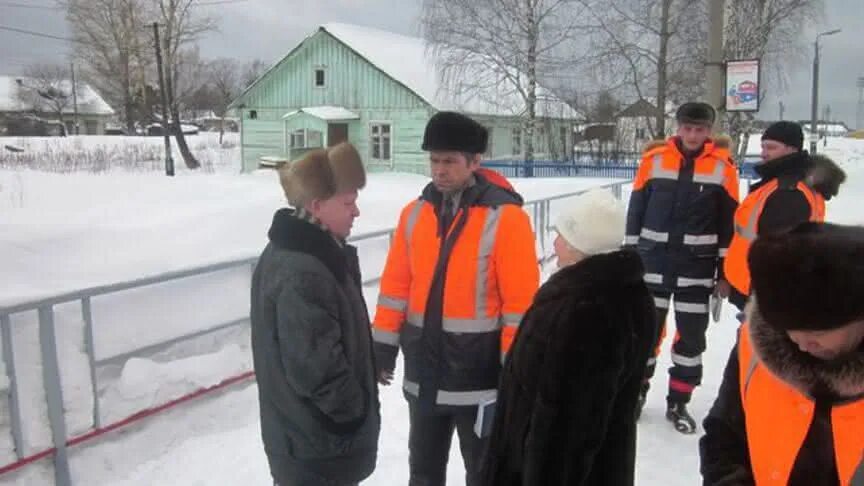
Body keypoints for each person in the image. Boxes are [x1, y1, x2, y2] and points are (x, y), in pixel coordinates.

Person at [372, 111, 540, 486]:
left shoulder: (506, 219)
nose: (440, 170)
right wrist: (382, 345)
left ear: (475, 162)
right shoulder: (414, 215)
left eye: (449, 161)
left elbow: (521, 307)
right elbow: (395, 287)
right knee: (424, 474)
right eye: (434, 160)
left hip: (480, 380)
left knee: (484, 476)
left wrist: (515, 372)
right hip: (424, 375)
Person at [482, 189, 657, 486]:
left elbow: (570, 427)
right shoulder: (623, 293)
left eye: (562, 235)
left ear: (581, 245)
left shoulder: (589, 309)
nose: (555, 242)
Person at [250, 142, 380, 486]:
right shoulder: (303, 270)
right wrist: (353, 412)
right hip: (316, 449)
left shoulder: (311, 254)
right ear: (318, 205)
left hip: (311, 443)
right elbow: (316, 369)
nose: (357, 213)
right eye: (348, 203)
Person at [700, 222, 864, 486]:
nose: (801, 344)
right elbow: (725, 435)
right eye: (790, 330)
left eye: (817, 333)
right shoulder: (756, 345)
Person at [625, 101, 740, 433]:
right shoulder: (654, 161)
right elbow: (635, 213)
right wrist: (630, 258)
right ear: (678, 128)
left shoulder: (723, 168)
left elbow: (727, 226)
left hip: (697, 271)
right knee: (644, 335)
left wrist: (724, 273)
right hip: (651, 267)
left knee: (690, 340)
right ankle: (636, 394)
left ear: (709, 131)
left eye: (700, 129)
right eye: (687, 128)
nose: (692, 135)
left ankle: (679, 401)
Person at [725, 121, 846, 313]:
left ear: (792, 149)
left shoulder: (789, 191)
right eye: (763, 146)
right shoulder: (782, 183)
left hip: (764, 294)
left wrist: (765, 293)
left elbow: (780, 252)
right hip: (756, 289)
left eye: (772, 147)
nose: (764, 153)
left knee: (757, 342)